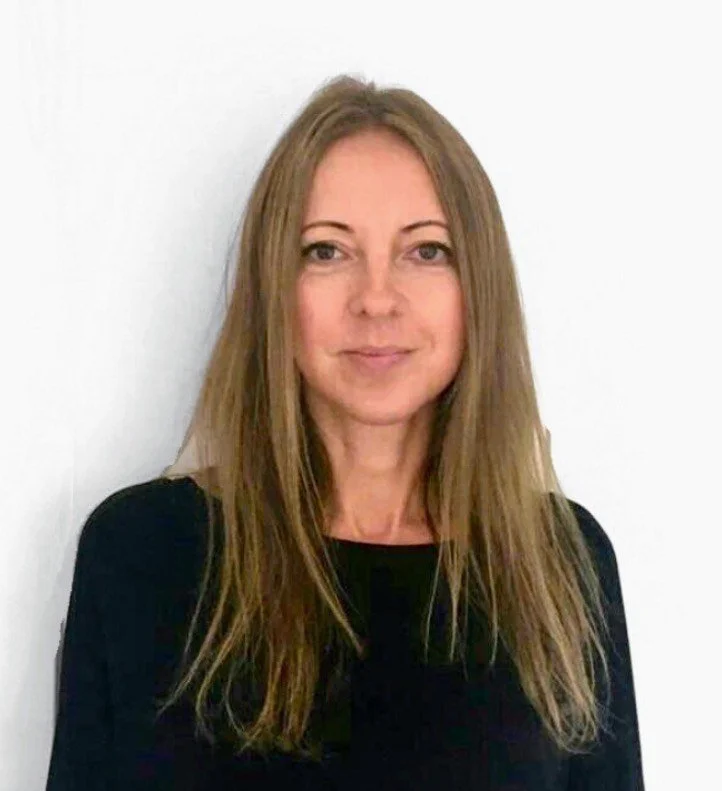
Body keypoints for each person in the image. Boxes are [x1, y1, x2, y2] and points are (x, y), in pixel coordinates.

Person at [45, 74, 645, 789]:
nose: (377, 300)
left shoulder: (560, 563)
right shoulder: (140, 553)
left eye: (426, 251)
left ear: (476, 288)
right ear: (274, 287)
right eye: (327, 251)